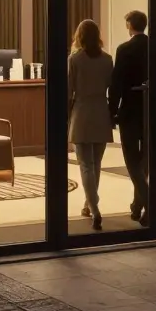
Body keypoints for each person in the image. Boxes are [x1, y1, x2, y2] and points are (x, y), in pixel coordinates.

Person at [108, 10, 156, 227]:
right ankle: (138, 206)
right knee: (146, 159)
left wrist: (111, 110)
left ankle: (148, 203)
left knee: (131, 160)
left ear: (130, 25)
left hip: (130, 110)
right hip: (154, 109)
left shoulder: (124, 49)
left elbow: (117, 83)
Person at [67, 20, 114, 231]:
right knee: (96, 164)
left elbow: (69, 90)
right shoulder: (107, 59)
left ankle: (94, 210)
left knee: (86, 165)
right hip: (101, 111)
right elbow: (111, 86)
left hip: (82, 112)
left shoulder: (75, 59)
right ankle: (89, 204)